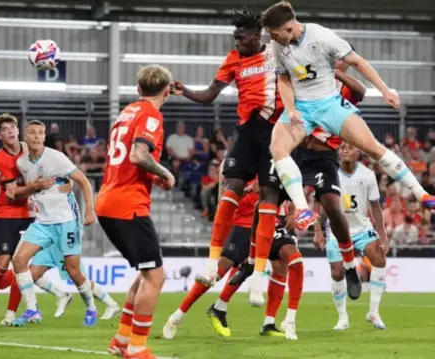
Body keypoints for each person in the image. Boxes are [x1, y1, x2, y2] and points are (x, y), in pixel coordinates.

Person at [261, 1, 435, 234]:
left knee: (374, 149)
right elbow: (283, 79)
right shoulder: (277, 45)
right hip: (302, 107)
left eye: (275, 33)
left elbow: (358, 62)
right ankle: (303, 210)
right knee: (277, 148)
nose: (272, 38)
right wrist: (291, 109)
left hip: (330, 105)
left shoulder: (323, 37)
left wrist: (385, 91)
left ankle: (421, 193)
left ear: (289, 28)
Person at [233, 45, 368, 300]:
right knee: (265, 202)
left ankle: (350, 265)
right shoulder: (308, 79)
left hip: (324, 154)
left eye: (339, 63)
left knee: (332, 203)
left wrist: (336, 74)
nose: (333, 64)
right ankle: (252, 261)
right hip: (296, 150)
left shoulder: (346, 87)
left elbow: (362, 91)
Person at [171, 7, 284, 287]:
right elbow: (210, 94)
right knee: (230, 188)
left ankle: (259, 272)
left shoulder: (276, 51)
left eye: (242, 37)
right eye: (235, 37)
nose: (237, 42)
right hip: (246, 132)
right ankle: (212, 263)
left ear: (256, 36)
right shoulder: (233, 59)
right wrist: (184, 91)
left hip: (275, 131)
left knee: (268, 196)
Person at [96, 64, 175, 359]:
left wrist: (152, 176)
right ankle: (137, 348)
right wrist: (164, 172)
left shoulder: (126, 113)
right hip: (127, 204)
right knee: (156, 277)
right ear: (166, 92)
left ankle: (121, 339)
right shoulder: (151, 115)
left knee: (145, 274)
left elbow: (127, 160)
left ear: (139, 89)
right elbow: (138, 155)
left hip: (109, 200)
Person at [8, 120, 98, 327]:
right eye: (32, 133)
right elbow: (18, 191)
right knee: (19, 260)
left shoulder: (56, 158)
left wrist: (89, 210)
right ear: (26, 137)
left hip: (65, 222)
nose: (37, 136)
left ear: (44, 136)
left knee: (73, 270)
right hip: (42, 222)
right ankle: (32, 310)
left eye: (40, 133)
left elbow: (83, 181)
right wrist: (34, 186)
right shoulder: (22, 163)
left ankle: (91, 308)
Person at [163, 178, 260, 339]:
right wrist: (249, 188)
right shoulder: (242, 163)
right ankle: (178, 315)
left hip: (263, 225)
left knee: (250, 266)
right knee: (218, 272)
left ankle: (220, 307)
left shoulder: (272, 164)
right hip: (241, 225)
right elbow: (224, 197)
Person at [314, 142, 388, 330]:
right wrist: (317, 230)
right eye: (342, 147)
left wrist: (383, 235)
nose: (344, 150)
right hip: (337, 229)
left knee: (379, 259)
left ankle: (373, 312)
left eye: (349, 147)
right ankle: (342, 318)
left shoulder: (368, 175)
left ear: (358, 152)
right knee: (337, 272)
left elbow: (375, 207)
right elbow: (319, 203)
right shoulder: (330, 173)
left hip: (362, 228)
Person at [0, 114, 35, 327]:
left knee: (21, 265)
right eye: (5, 129)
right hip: (6, 214)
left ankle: (11, 314)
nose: (11, 131)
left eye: (13, 127)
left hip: (28, 215)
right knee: (2, 264)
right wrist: (37, 186)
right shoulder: (0, 160)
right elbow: (12, 193)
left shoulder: (29, 148)